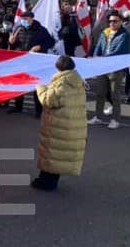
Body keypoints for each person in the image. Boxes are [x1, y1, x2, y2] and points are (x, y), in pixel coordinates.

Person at [32, 55, 88, 191]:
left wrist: (39, 87)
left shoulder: (62, 83)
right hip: (71, 124)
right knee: (57, 155)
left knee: (53, 154)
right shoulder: (77, 80)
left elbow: (48, 100)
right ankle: (46, 179)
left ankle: (47, 183)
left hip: (59, 125)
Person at [8, 11, 54, 116]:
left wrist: (40, 47)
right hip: (21, 61)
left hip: (36, 62)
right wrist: (11, 42)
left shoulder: (41, 30)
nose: (24, 21)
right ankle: (17, 107)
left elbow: (51, 42)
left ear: (32, 19)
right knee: (19, 85)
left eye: (26, 19)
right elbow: (12, 46)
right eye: (22, 19)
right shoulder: (18, 29)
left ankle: (39, 110)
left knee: (37, 85)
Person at [89, 12, 130, 129]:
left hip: (115, 68)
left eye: (115, 21)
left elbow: (118, 51)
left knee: (114, 95)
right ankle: (98, 117)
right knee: (100, 93)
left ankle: (115, 119)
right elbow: (98, 46)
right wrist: (96, 58)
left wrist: (101, 58)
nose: (112, 23)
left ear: (121, 22)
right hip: (103, 67)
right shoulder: (105, 32)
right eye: (111, 21)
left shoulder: (124, 35)